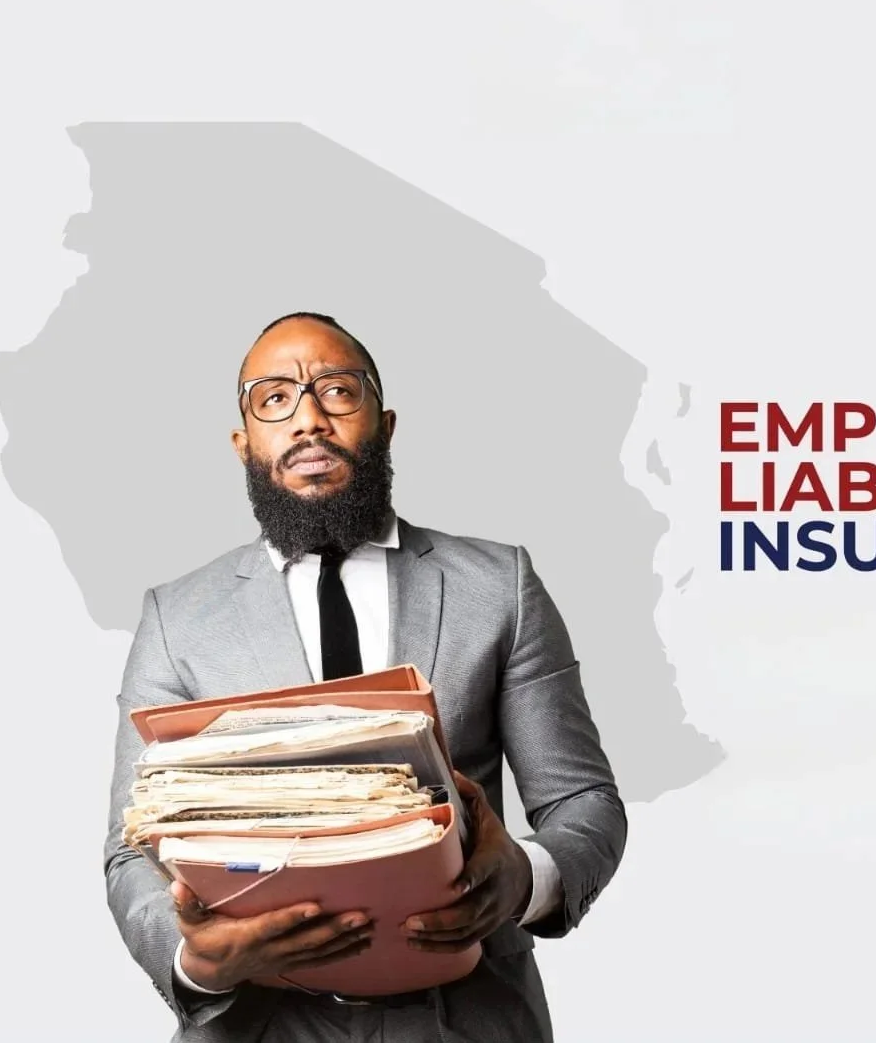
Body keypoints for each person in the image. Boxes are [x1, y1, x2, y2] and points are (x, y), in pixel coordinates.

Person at [104, 311, 626, 1043]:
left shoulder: (498, 585)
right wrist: (197, 960)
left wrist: (524, 878)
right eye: (274, 398)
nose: (308, 418)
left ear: (383, 423)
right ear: (243, 442)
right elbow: (131, 850)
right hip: (259, 1022)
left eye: (336, 391)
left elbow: (584, 801)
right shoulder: (176, 618)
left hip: (467, 1016)